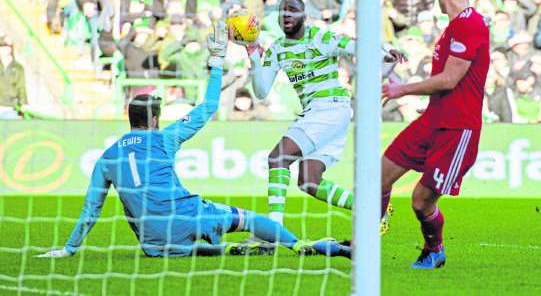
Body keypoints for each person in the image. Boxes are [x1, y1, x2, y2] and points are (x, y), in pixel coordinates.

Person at [36, 22, 349, 259]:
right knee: (249, 219)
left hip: (152, 241)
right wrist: (216, 60)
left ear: (130, 119)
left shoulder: (107, 156)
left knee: (181, 243)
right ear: (155, 121)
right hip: (186, 215)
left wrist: (69, 249)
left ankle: (226, 252)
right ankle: (301, 246)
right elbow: (209, 107)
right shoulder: (164, 139)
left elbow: (92, 209)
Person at [243, 0, 406, 230]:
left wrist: (385, 51)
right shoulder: (277, 49)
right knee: (308, 181)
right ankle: (372, 208)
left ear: (304, 16)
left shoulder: (320, 37)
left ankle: (274, 229)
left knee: (277, 158)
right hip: (319, 112)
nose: (286, 14)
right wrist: (255, 60)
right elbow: (260, 92)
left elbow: (355, 47)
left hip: (330, 106)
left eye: (292, 10)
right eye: (282, 10)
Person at [381, 0, 490, 268]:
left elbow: (449, 79)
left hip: (457, 129)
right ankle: (363, 243)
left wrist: (403, 89)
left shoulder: (470, 24)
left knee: (421, 201)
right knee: (379, 176)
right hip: (432, 119)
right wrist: (432, 106)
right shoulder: (454, 26)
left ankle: (435, 250)